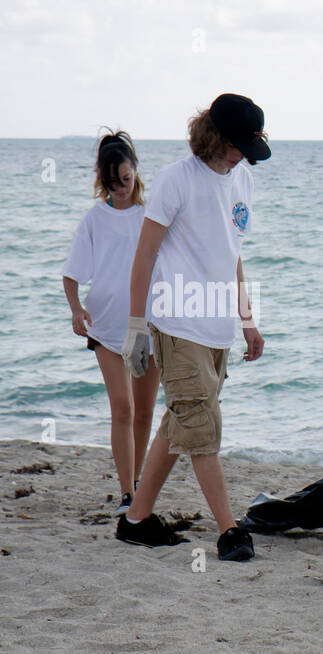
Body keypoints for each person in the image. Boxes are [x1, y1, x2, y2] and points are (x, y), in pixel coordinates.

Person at [114, 94, 270, 561]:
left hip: (219, 326)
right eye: (234, 144)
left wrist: (247, 320)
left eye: (247, 147)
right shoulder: (176, 180)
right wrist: (136, 327)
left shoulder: (243, 179)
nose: (239, 154)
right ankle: (229, 531)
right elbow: (145, 254)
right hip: (177, 322)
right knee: (202, 427)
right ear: (212, 134)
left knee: (180, 421)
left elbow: (231, 253)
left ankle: (136, 521)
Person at [61, 131, 160, 516]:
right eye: (113, 182)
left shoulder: (152, 215)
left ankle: (137, 485)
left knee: (144, 412)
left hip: (149, 326)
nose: (121, 189)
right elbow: (71, 273)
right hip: (104, 327)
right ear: (102, 179)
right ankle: (126, 493)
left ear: (136, 173)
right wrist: (75, 309)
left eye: (127, 180)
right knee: (122, 407)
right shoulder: (94, 218)